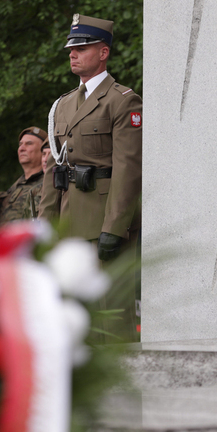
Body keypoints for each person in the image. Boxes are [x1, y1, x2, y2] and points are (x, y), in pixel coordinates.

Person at [39, 13, 142, 261]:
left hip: (102, 221)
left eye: (81, 48)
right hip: (67, 222)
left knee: (109, 300)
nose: (72, 54)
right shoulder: (63, 104)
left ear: (103, 53)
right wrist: (44, 226)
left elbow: (127, 170)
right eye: (71, 49)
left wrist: (114, 228)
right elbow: (55, 170)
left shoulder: (123, 101)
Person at [0, 127, 47, 227]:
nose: (21, 148)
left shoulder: (49, 184)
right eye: (20, 144)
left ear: (43, 150)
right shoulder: (13, 190)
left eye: (29, 144)